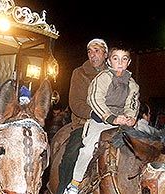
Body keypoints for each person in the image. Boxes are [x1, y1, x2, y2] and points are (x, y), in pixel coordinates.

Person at [64, 45, 140, 194]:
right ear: (109, 61)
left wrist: (131, 117)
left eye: (124, 59)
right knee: (87, 150)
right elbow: (95, 98)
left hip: (122, 122)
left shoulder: (133, 84)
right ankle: (74, 183)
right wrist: (110, 117)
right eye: (115, 58)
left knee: (141, 146)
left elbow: (132, 103)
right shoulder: (103, 78)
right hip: (101, 120)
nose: (120, 62)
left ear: (128, 62)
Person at [56, 38, 109, 194]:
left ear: (105, 54)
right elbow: (75, 102)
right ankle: (63, 189)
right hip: (84, 123)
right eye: (89, 51)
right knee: (71, 156)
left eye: (97, 51)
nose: (92, 55)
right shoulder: (79, 73)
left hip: (110, 124)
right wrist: (94, 113)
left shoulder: (114, 74)